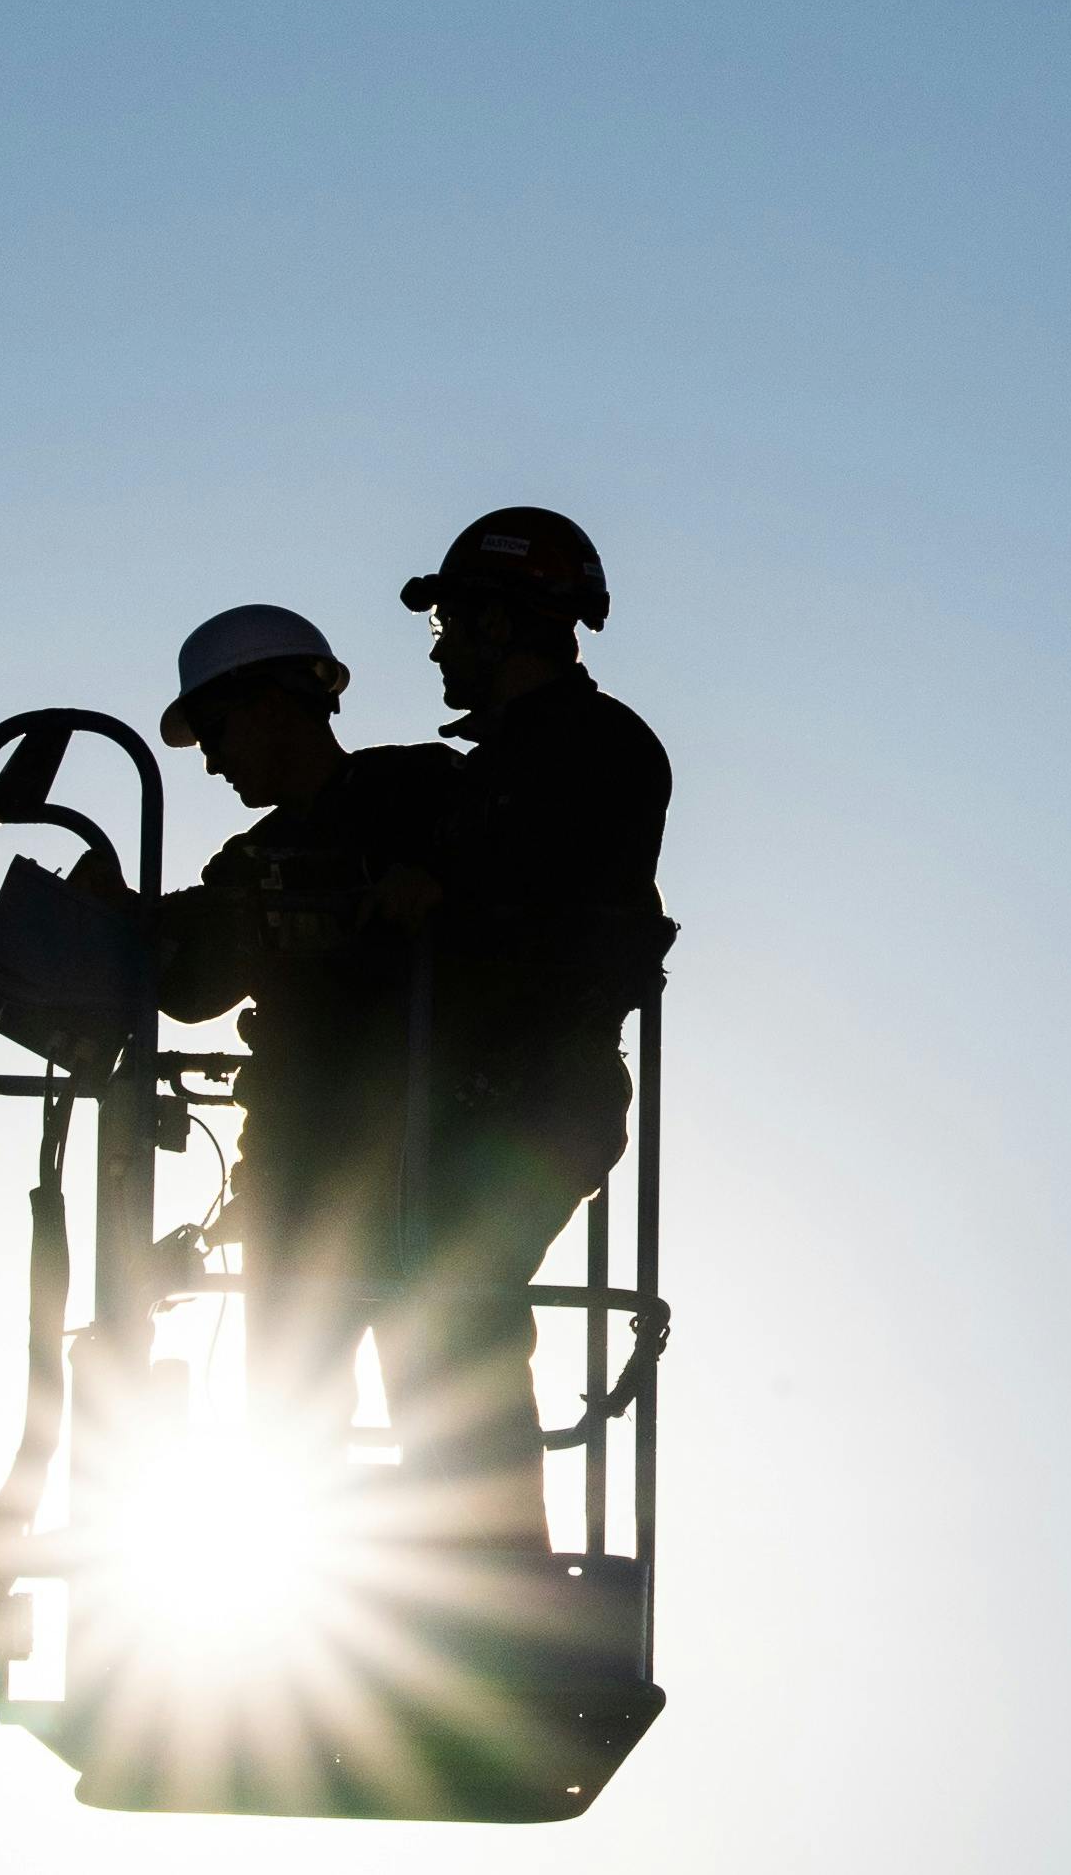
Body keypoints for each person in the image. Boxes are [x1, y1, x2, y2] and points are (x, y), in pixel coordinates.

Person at [134, 603, 469, 1521]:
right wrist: (126, 921)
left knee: (452, 1419)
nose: (212, 761)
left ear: (273, 702)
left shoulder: (424, 793)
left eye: (215, 732)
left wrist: (424, 889)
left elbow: (507, 880)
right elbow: (191, 982)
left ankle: (479, 1572)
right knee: (293, 1422)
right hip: (302, 1182)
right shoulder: (252, 862)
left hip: (427, 1165)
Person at [384, 508, 678, 1553]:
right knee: (423, 1307)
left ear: (503, 623)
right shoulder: (496, 765)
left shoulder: (597, 752)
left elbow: (559, 916)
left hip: (540, 1095)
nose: (438, 649)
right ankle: (457, 1553)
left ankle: (495, 1573)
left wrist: (437, 904)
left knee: (454, 1305)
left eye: (450, 623)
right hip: (490, 1091)